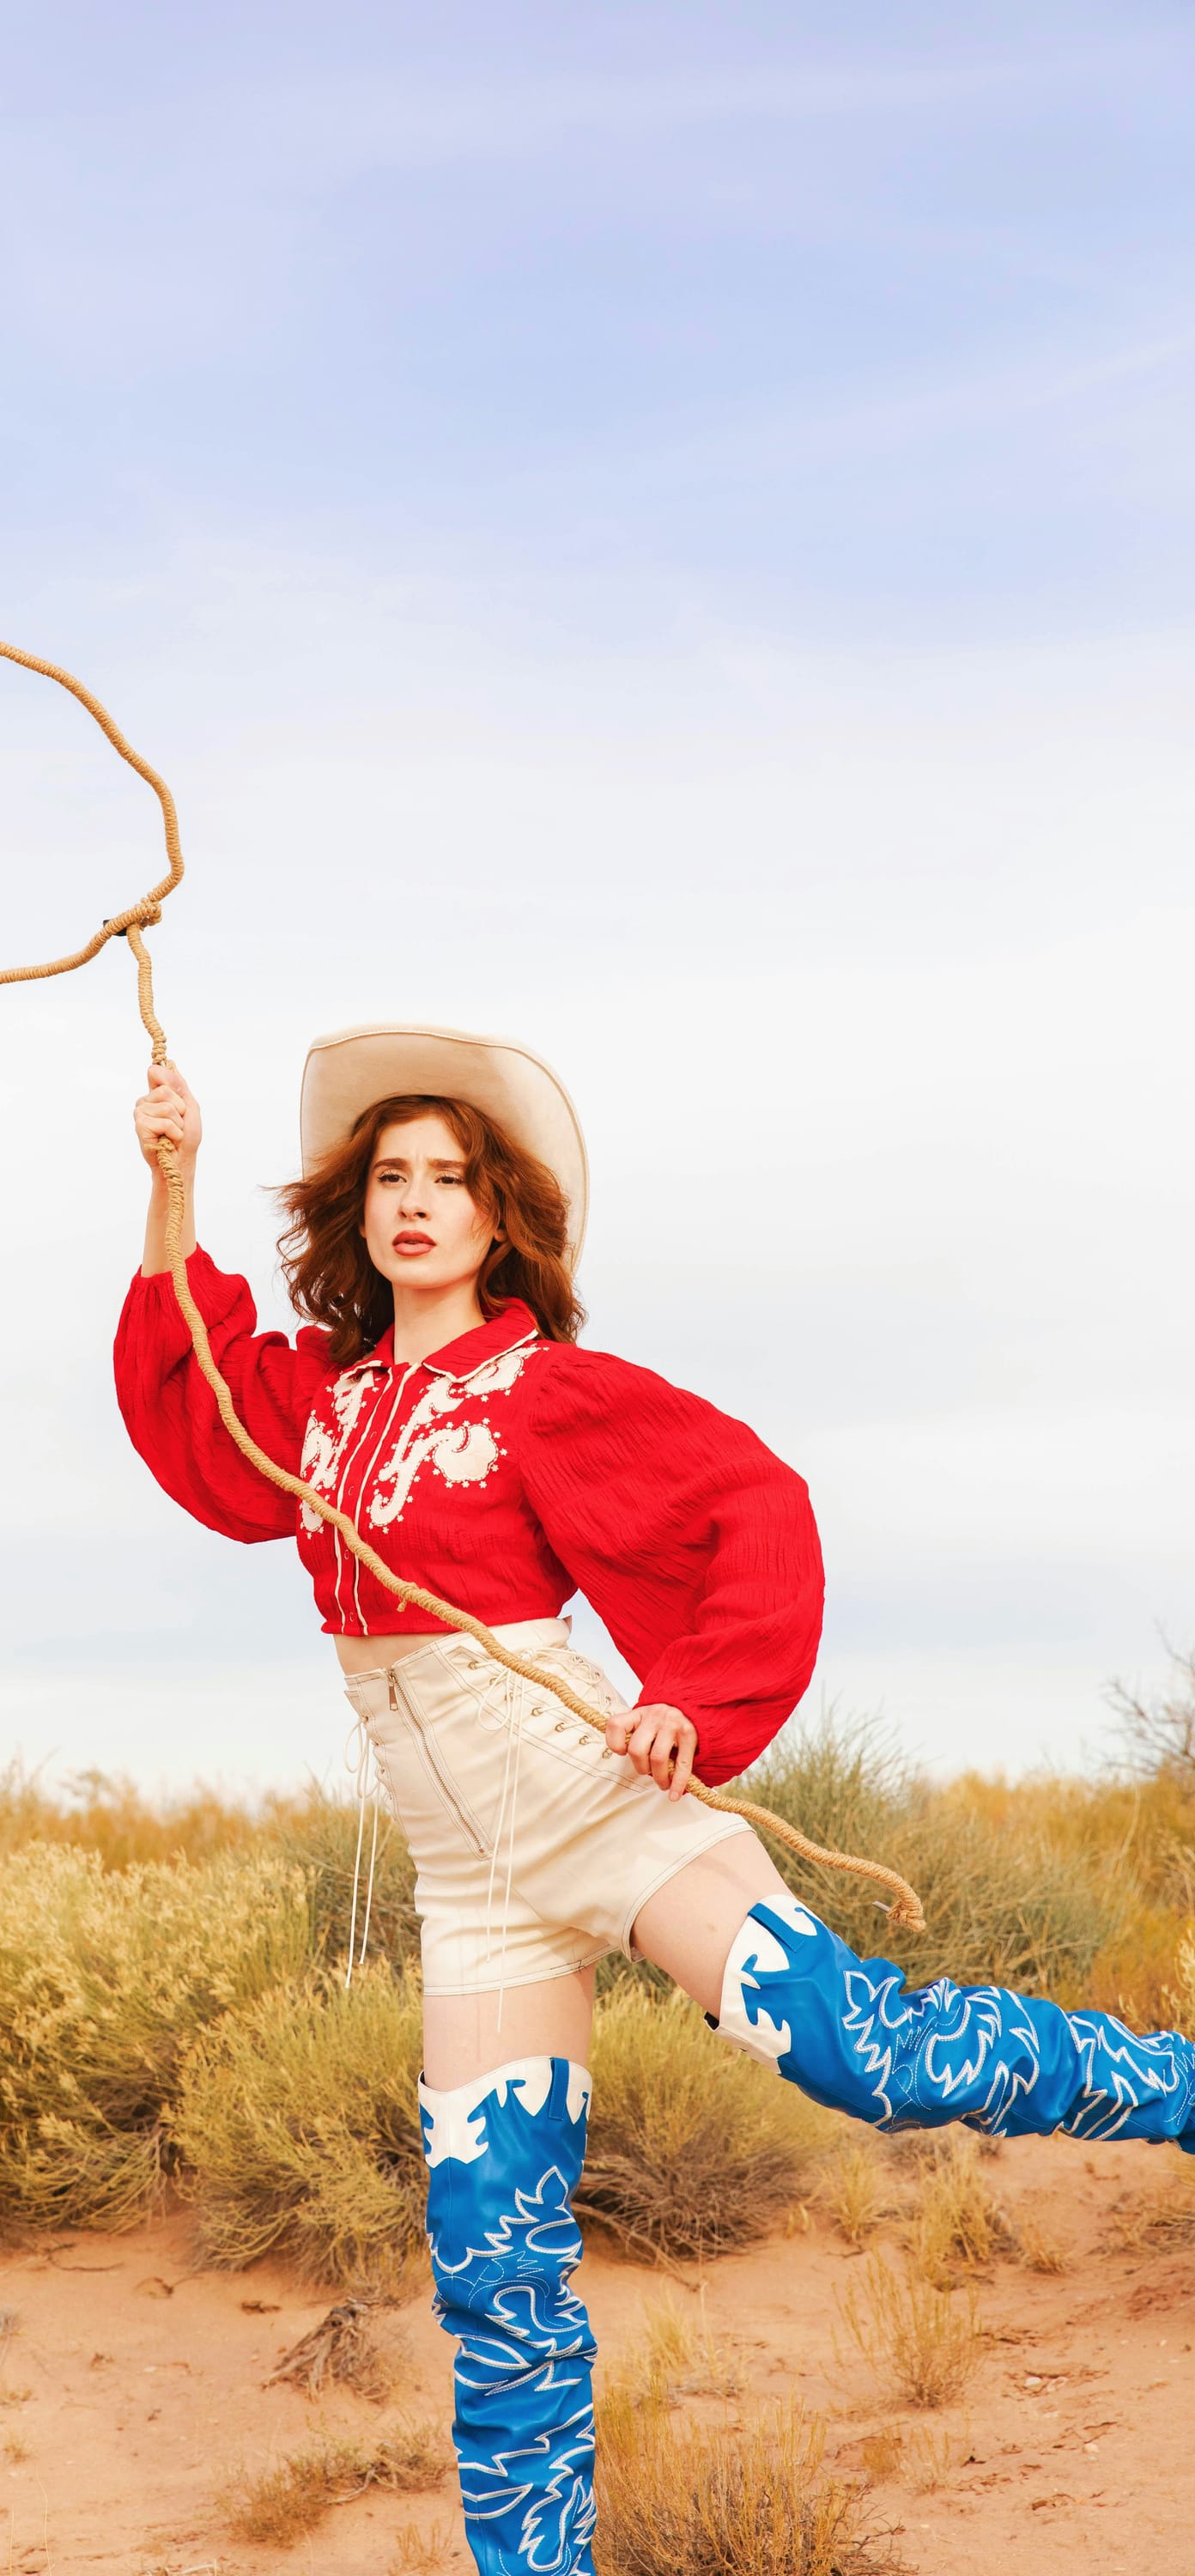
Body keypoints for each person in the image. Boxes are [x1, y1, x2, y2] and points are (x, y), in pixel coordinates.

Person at [114, 1024, 1194, 2576]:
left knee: (856, 2055)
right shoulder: (323, 1407)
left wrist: (696, 1695)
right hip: (471, 1889)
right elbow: (189, 1398)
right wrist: (174, 1180)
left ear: (499, 1218)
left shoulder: (542, 1391)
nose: (415, 1202)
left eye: (450, 1179)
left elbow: (754, 1502)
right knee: (495, 2269)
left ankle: (1182, 2086)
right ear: (359, 1206)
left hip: (602, 1814)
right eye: (392, 1176)